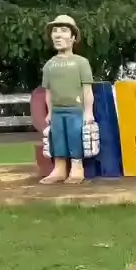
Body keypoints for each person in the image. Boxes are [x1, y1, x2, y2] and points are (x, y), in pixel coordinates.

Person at [40, 14, 94, 185]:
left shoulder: (81, 63)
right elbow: (48, 92)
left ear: (73, 37)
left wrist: (88, 112)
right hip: (57, 111)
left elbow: (87, 89)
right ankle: (59, 168)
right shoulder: (49, 65)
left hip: (75, 110)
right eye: (55, 31)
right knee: (57, 138)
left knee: (74, 136)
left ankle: (77, 168)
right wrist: (49, 112)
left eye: (63, 30)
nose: (58, 35)